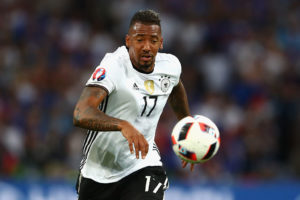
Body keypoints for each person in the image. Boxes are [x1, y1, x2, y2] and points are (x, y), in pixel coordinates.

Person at [73, 9, 193, 200]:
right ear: (128, 40)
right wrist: (122, 125)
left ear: (160, 43)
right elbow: (81, 113)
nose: (146, 46)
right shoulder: (114, 66)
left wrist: (187, 128)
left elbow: (176, 88)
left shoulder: (170, 66)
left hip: (143, 164)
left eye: (153, 40)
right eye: (140, 39)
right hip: (98, 171)